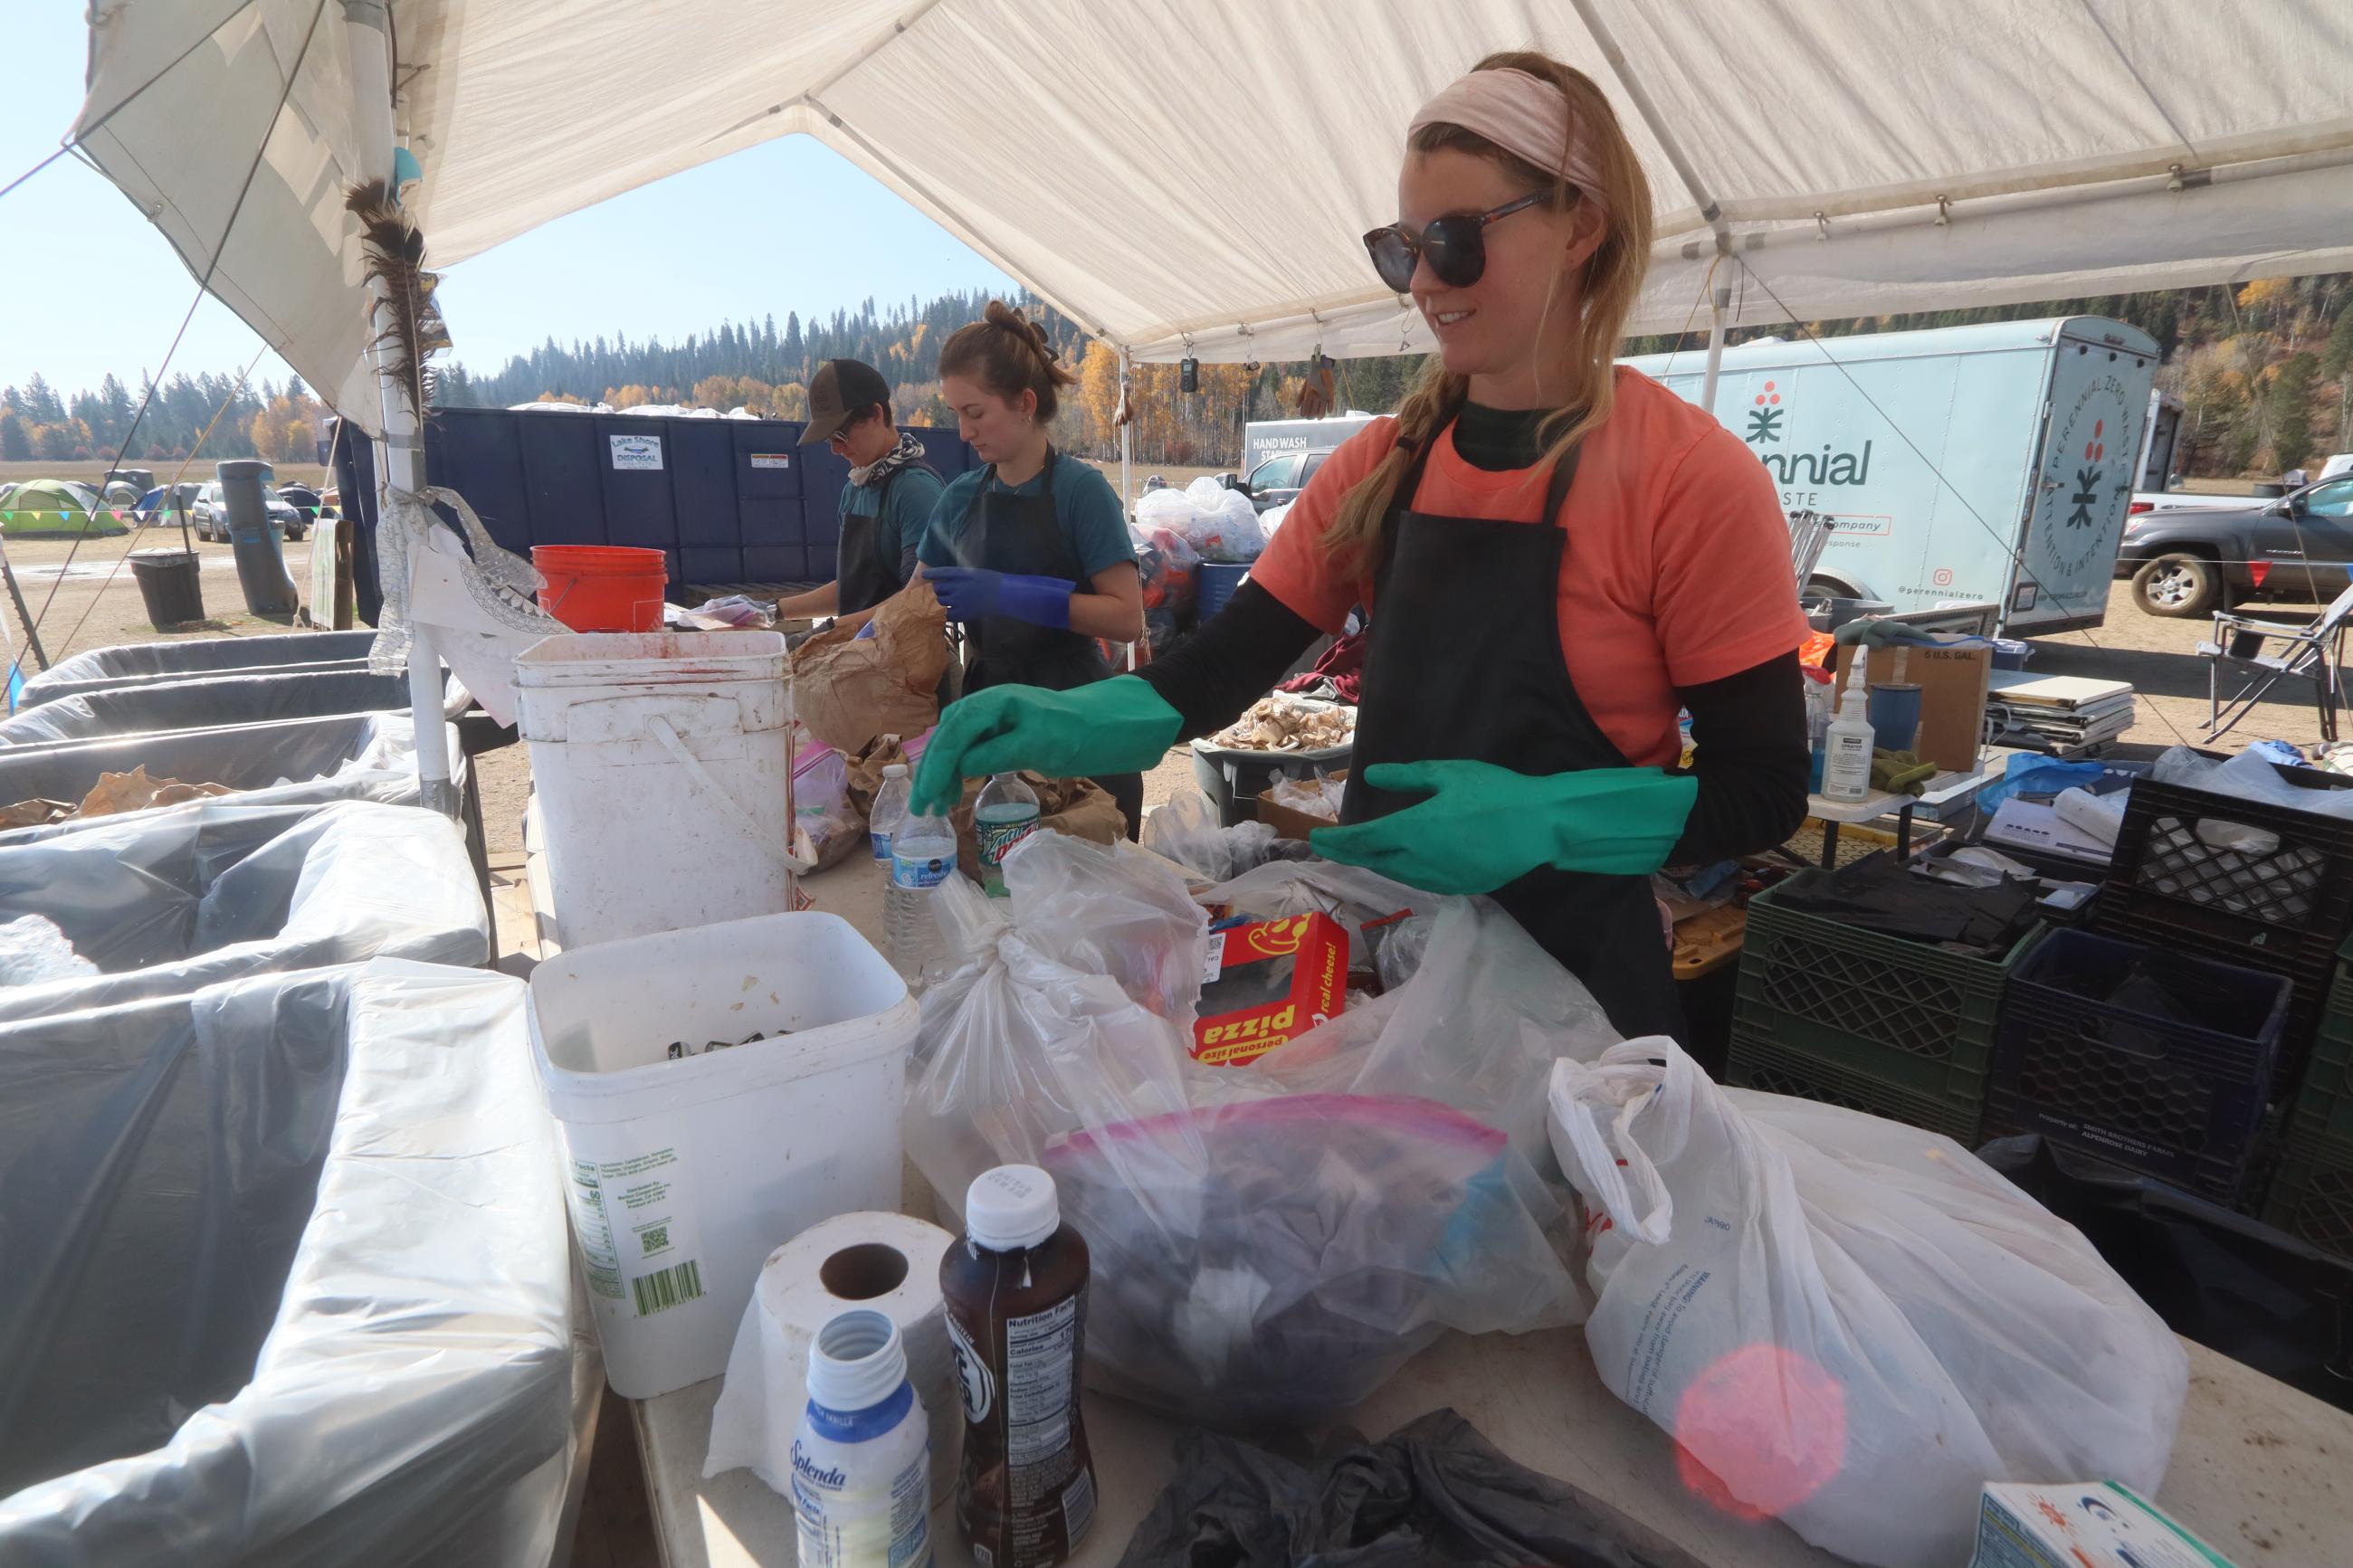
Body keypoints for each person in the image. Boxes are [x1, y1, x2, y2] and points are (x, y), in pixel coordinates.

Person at [911, 52, 1810, 1039]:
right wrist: (1063, 716)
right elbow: (1213, 674)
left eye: (1456, 242)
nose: (1424, 283)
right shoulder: (1386, 463)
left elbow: (1759, 789)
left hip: (1576, 1001)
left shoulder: (1689, 479)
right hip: (1390, 975)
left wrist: (1549, 818)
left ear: (1580, 227)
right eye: (1403, 250)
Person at [916, 302, 1147, 833]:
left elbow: (1126, 618)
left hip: (1075, 713)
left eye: (975, 413)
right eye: (955, 414)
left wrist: (1006, 595)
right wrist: (845, 637)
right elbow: (912, 603)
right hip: (991, 710)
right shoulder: (959, 499)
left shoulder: (1080, 491)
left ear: (1024, 403)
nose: (964, 431)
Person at [777, 358, 944, 631]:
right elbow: (852, 589)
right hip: (859, 657)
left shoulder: (916, 490)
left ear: (877, 414)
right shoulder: (855, 489)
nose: (835, 449)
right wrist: (771, 611)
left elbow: (916, 602)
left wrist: (828, 632)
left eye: (841, 435)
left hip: (909, 666)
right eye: (829, 439)